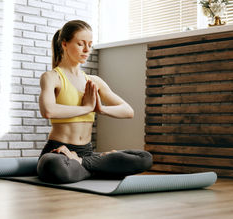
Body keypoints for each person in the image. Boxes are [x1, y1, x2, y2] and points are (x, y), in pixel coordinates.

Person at [37, 20, 153, 183]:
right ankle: (97, 168)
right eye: (80, 44)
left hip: (87, 153)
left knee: (145, 158)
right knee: (53, 166)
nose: (87, 50)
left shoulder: (94, 81)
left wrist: (101, 109)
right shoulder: (52, 77)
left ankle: (82, 164)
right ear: (64, 44)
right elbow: (48, 110)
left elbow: (128, 111)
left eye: (90, 45)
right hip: (59, 151)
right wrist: (86, 108)